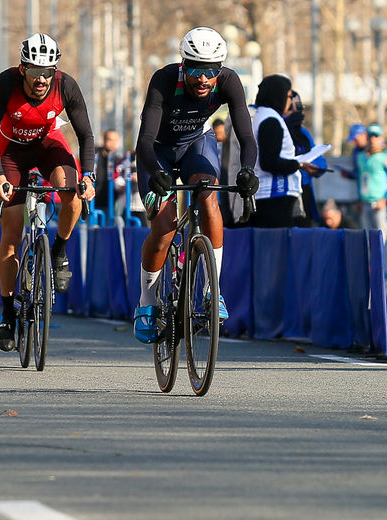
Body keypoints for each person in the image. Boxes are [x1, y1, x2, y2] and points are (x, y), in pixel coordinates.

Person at [133, 26, 259, 343]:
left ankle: (211, 291)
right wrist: (154, 172)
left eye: (210, 71)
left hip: (196, 145)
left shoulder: (229, 80)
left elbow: (245, 135)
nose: (203, 79)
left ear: (220, 69)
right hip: (157, 151)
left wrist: (247, 170)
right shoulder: (164, 79)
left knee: (209, 198)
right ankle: (146, 302)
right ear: (183, 64)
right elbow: (145, 139)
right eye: (195, 70)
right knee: (163, 227)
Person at [0, 33, 96, 351]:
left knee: (72, 191)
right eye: (35, 72)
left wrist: (89, 177)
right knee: (12, 234)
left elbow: (85, 134)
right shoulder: (5, 83)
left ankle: (58, 251)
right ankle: (7, 314)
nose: (42, 79)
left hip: (48, 145)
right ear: (22, 69)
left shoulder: (65, 85)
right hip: (11, 152)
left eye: (48, 72)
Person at [247, 75, 324, 228]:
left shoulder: (263, 116)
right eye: (289, 96)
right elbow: (270, 162)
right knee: (276, 248)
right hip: (274, 195)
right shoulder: (270, 120)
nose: (290, 102)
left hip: (271, 195)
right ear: (278, 95)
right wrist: (298, 165)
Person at [285, 90, 328, 227]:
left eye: (297, 107)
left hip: (303, 194)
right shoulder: (271, 127)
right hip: (280, 195)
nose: (294, 111)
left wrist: (312, 168)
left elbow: (320, 163)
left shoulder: (302, 133)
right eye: (290, 107)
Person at [356, 123, 387, 234]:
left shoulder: (386, 156)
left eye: (376, 136)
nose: (373, 139)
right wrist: (359, 199)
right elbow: (360, 178)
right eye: (370, 135)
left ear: (381, 138)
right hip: (365, 204)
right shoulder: (362, 157)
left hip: (380, 205)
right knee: (366, 241)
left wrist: (385, 198)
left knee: (382, 240)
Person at [94, 129, 122, 217]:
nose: (113, 143)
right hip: (94, 200)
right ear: (104, 140)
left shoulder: (118, 159)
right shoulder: (95, 155)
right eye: (110, 139)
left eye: (115, 140)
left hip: (111, 202)